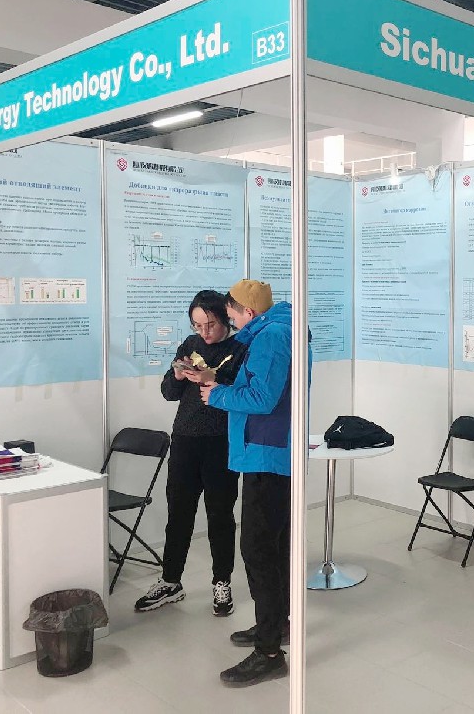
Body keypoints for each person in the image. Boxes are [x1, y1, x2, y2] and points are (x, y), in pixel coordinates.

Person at [200, 279, 311, 687]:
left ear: (248, 311)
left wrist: (217, 396)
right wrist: (222, 384)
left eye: (231, 315)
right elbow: (263, 389)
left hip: (267, 454)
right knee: (274, 547)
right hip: (271, 451)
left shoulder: (273, 336)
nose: (230, 321)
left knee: (258, 550)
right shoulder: (279, 331)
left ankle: (268, 654)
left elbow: (263, 399)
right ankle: (276, 626)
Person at [134, 290, 246, 616]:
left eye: (210, 324)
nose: (204, 332)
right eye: (198, 325)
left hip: (221, 441)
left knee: (220, 516)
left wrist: (215, 378)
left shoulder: (241, 347)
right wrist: (178, 374)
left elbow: (245, 392)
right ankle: (171, 581)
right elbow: (169, 393)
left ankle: (222, 583)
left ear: (224, 318)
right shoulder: (190, 344)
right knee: (179, 513)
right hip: (185, 439)